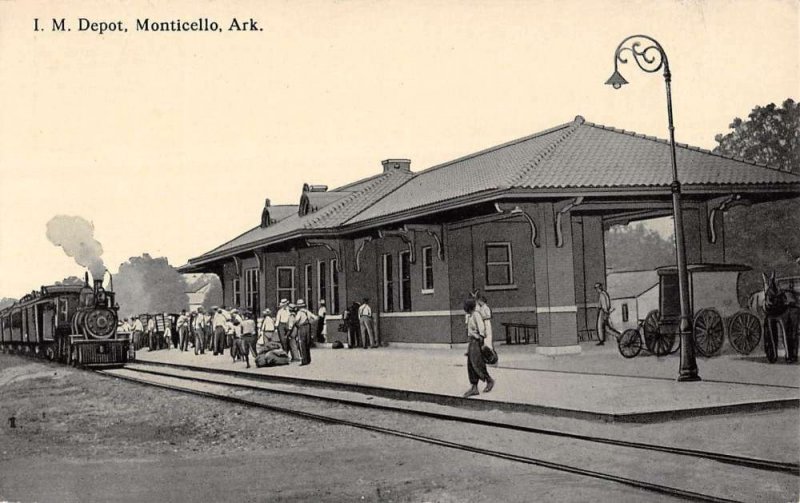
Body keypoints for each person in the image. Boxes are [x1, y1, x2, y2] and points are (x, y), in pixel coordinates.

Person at [463, 297, 494, 398]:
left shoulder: (476, 314)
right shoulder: (470, 315)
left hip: (476, 341)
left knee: (477, 363)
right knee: (470, 364)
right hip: (471, 341)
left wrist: (480, 339)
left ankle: (489, 380)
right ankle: (474, 387)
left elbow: (481, 328)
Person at [294, 300, 317, 366]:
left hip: (302, 327)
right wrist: (310, 322)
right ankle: (308, 359)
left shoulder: (299, 312)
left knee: (302, 344)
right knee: (307, 343)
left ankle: (304, 360)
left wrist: (297, 324)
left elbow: (296, 320)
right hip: (308, 327)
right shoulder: (307, 311)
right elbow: (315, 318)